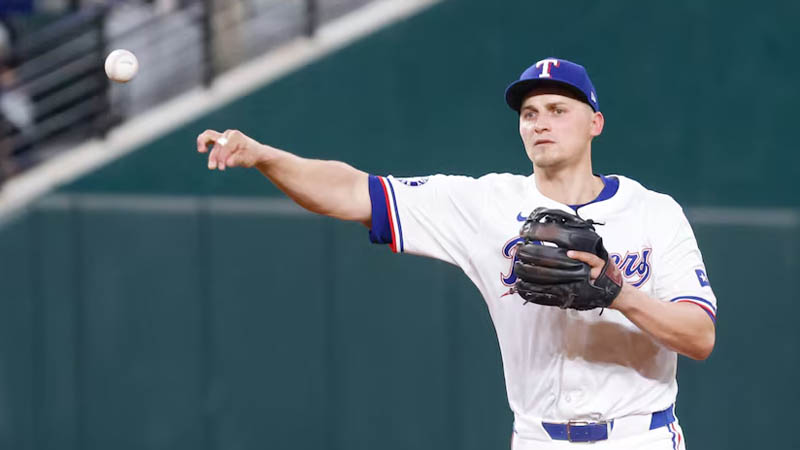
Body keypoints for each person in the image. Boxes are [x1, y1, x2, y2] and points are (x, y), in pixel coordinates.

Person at [196, 57, 716, 449]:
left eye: (558, 110)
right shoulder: (486, 204)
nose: (540, 123)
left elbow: (699, 337)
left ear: (595, 123)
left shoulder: (653, 212)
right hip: (539, 438)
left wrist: (620, 294)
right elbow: (353, 191)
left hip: (640, 436)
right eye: (530, 112)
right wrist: (264, 156)